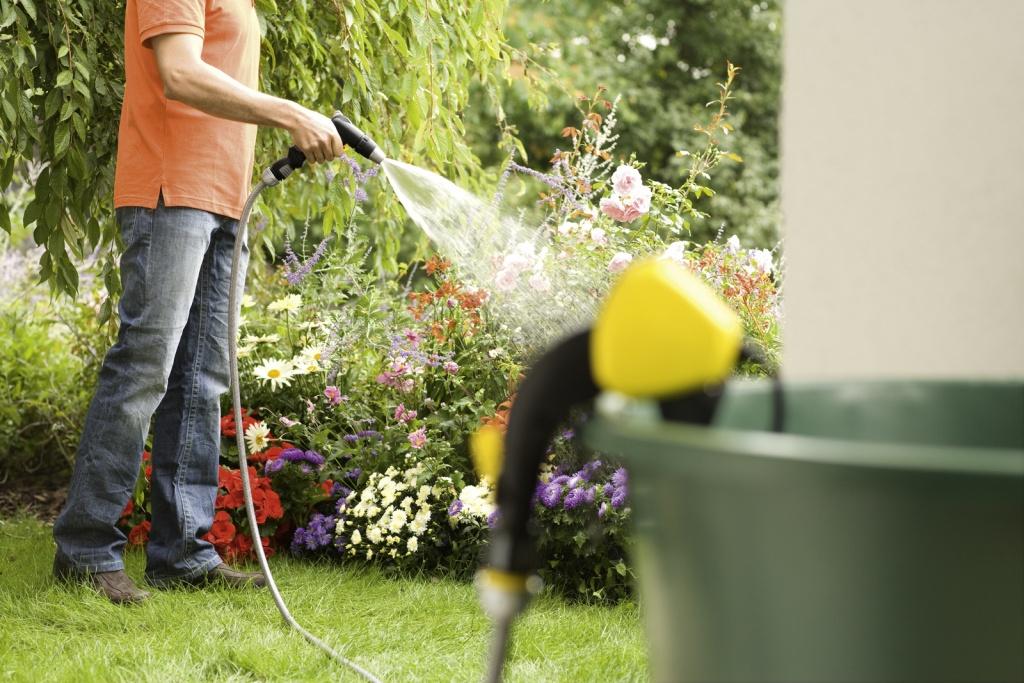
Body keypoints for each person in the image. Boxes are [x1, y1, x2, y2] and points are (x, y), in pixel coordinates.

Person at [52, 0, 341, 605]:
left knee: (202, 379)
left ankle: (183, 551)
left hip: (224, 194)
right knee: (144, 367)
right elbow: (179, 72)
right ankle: (83, 551)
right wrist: (290, 113)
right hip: (169, 187)